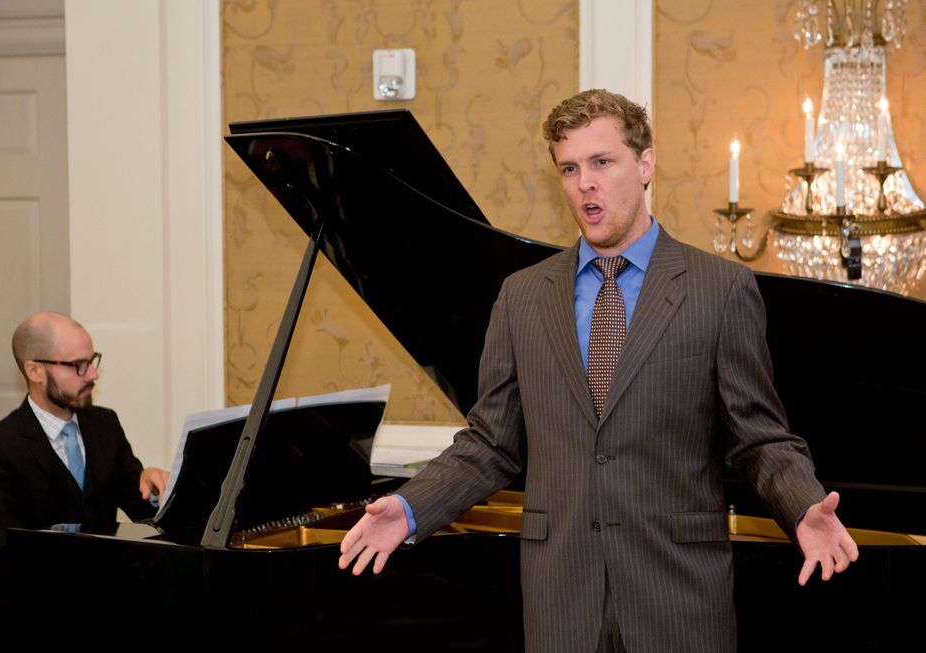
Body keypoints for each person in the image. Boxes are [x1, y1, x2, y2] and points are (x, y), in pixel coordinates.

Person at [338, 89, 858, 652]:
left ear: (645, 165)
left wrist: (802, 504)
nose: (584, 182)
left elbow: (758, 438)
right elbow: (491, 444)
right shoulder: (522, 296)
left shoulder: (720, 289)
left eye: (601, 162)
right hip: (562, 598)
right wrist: (412, 506)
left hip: (679, 599)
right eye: (569, 168)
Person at [0, 311, 169, 617]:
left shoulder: (105, 424)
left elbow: (143, 508)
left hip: (104, 610)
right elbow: (5, 561)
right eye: (79, 365)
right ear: (35, 371)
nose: (92, 375)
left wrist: (153, 485)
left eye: (92, 360)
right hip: (31, 622)